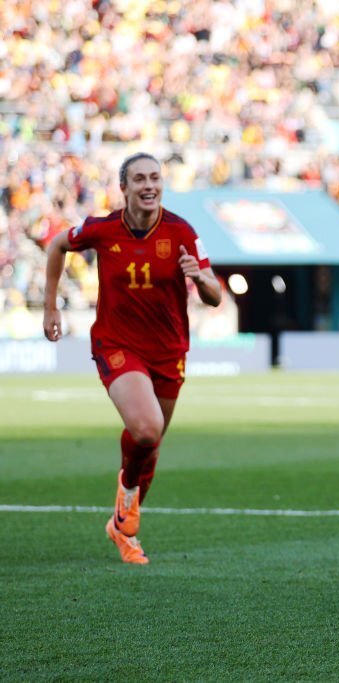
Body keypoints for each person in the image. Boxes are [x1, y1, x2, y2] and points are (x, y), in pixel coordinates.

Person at [43, 152, 222, 563]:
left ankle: (123, 529)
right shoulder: (102, 229)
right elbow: (56, 245)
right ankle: (127, 494)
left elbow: (214, 296)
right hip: (117, 343)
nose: (149, 185)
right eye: (139, 178)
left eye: (155, 178)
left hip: (169, 350)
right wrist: (51, 307)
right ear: (123, 188)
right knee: (145, 429)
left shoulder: (182, 232)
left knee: (152, 443)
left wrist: (198, 277)